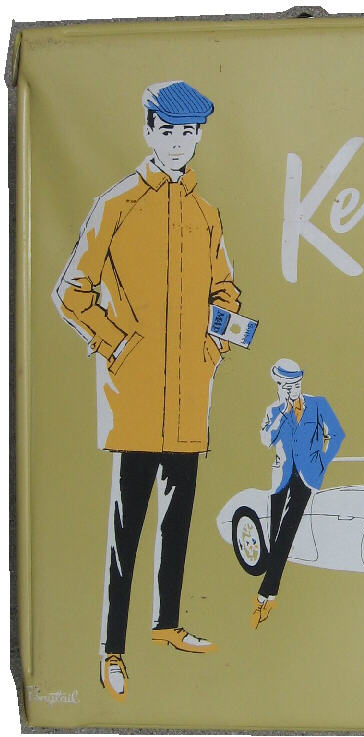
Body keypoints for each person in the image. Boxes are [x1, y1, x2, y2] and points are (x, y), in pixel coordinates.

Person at [54, 80, 241, 702]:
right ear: (149, 131)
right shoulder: (115, 205)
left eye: (190, 133)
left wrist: (215, 347)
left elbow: (226, 293)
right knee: (126, 530)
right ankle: (113, 649)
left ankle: (167, 625)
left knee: (178, 521)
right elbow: (72, 292)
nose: (180, 144)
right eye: (169, 132)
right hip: (135, 398)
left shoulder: (206, 214)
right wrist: (117, 345)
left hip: (190, 399)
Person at [252, 360, 345, 628]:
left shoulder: (318, 404)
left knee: (286, 532)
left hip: (307, 476)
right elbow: (266, 440)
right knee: (274, 536)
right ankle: (271, 593)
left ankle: (263, 596)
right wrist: (283, 410)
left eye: (296, 384)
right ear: (278, 386)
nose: (293, 390)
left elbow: (337, 434)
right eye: (287, 386)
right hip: (281, 476)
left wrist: (323, 462)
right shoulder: (273, 411)